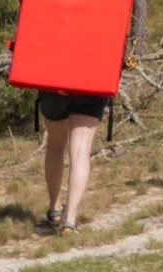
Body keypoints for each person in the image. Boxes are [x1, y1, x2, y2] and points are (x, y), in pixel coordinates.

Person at [37, 92, 109, 232]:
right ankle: (69, 220)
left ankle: (55, 210)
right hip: (92, 84)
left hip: (54, 86)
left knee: (55, 145)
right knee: (80, 151)